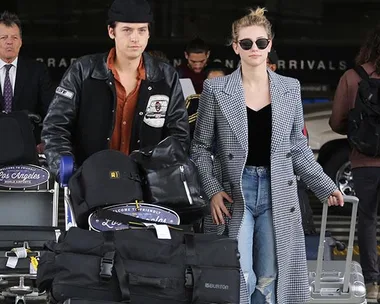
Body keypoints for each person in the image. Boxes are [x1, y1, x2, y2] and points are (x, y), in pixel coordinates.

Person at [190, 7, 344, 304]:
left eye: (261, 42)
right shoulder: (216, 89)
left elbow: (297, 149)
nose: (254, 49)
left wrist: (325, 186)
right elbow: (200, 147)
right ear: (235, 46)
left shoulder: (290, 88)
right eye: (246, 43)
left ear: (270, 44)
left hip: (278, 192)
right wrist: (212, 191)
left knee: (269, 277)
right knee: (238, 273)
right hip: (236, 192)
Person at [42, 0, 189, 176]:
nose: (135, 38)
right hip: (91, 180)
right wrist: (70, 173)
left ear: (149, 33)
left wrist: (160, 174)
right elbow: (55, 128)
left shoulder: (165, 76)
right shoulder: (83, 71)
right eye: (127, 30)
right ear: (112, 32)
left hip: (147, 184)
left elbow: (178, 136)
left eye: (142, 30)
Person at [329, 24, 380, 301]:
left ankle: (372, 283)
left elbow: (337, 122)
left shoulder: (353, 77)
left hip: (364, 162)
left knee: (368, 220)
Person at [0, 11, 53, 151]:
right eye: (4, 37)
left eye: (14, 37)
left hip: (29, 147)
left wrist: (46, 142)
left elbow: (52, 111)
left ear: (21, 42)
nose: (9, 42)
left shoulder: (37, 70)